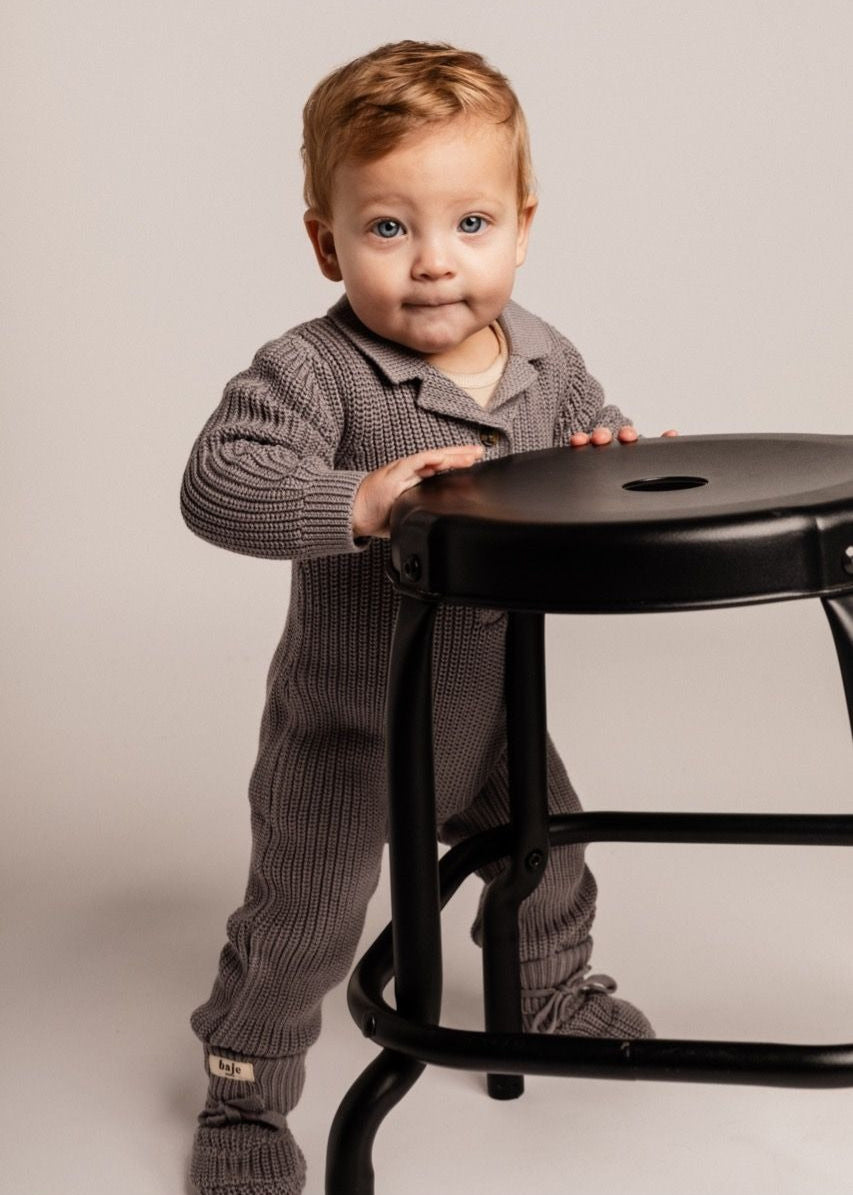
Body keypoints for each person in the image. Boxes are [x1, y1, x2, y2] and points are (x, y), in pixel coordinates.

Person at [180, 39, 673, 1195]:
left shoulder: (547, 361)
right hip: (353, 727)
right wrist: (356, 500)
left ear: (523, 222)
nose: (436, 265)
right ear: (326, 240)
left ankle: (545, 989)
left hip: (499, 709)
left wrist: (612, 462)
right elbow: (219, 481)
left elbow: (588, 457)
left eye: (470, 225)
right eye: (389, 229)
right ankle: (244, 1089)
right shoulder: (315, 372)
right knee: (299, 925)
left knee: (552, 851)